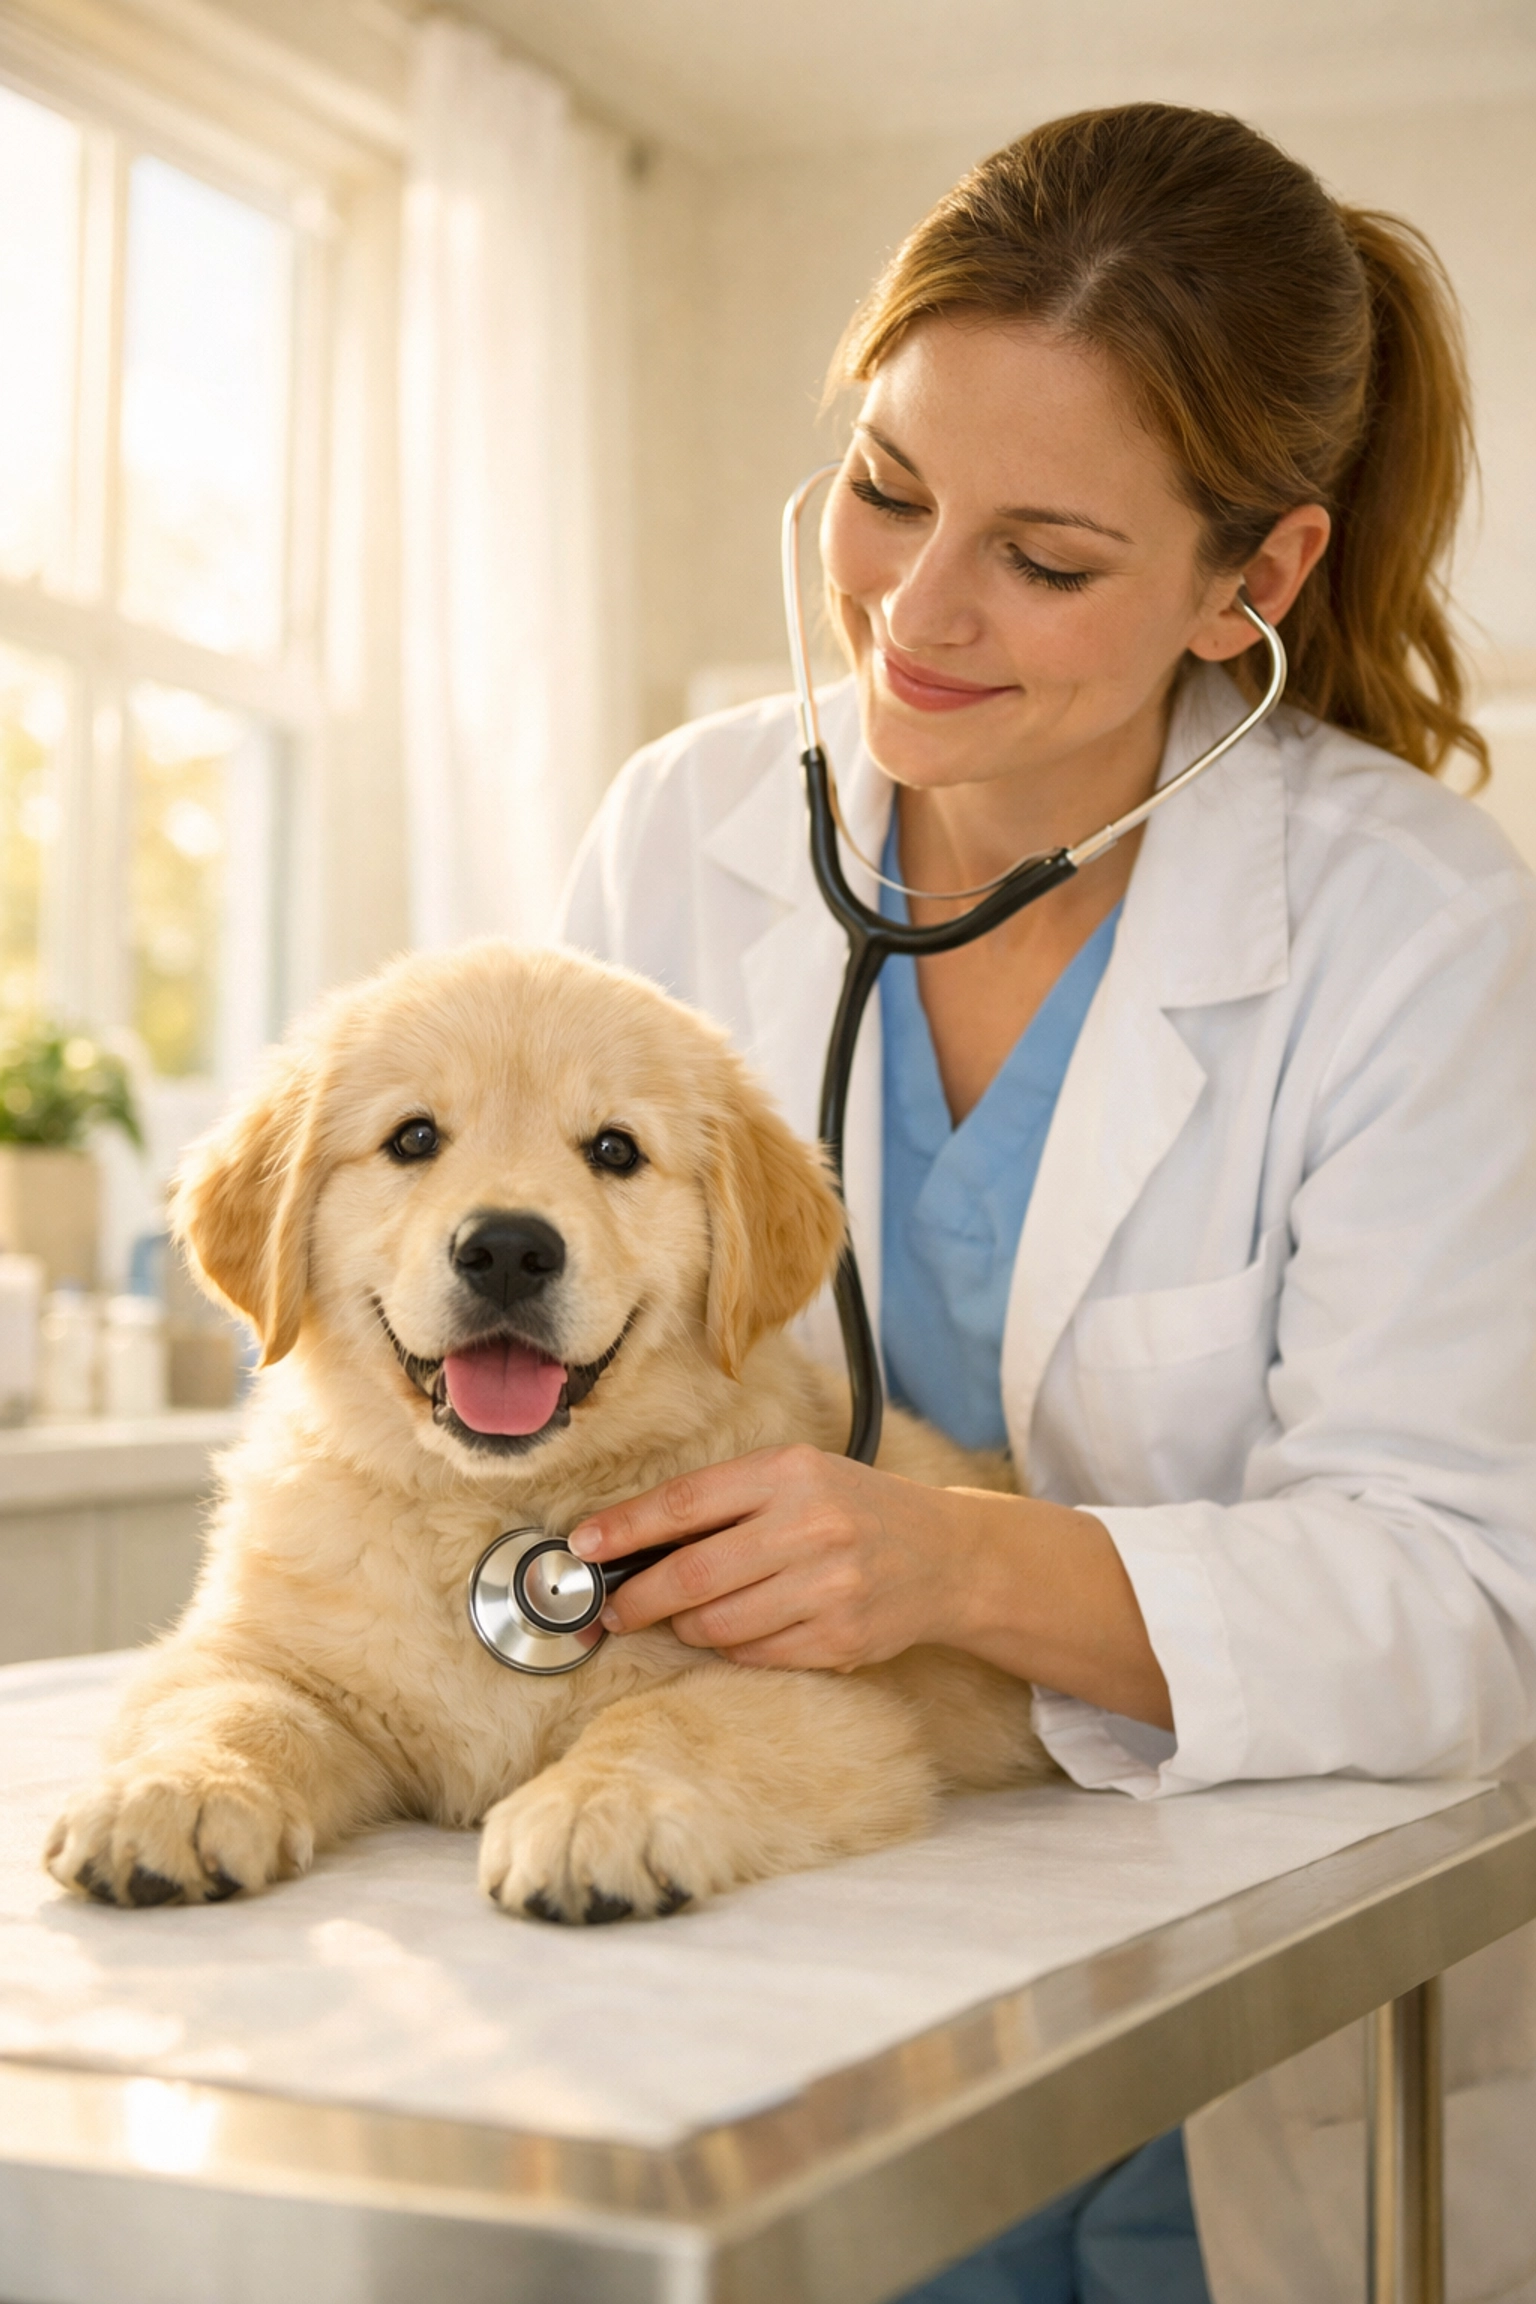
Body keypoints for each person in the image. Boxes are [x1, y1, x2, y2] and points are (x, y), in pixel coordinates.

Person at [557, 105, 1536, 2304]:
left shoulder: (1411, 928)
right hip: (785, 1951)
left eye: (1047, 557)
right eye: (887, 487)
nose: (916, 607)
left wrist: (954, 1565)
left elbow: (1474, 1604)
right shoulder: (684, 830)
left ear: (1252, 581)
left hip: (1241, 2017)